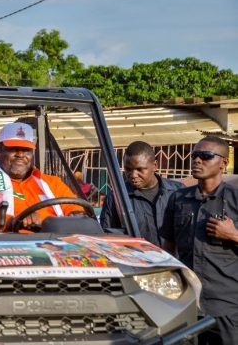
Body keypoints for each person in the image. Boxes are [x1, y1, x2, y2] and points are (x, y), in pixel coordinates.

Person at [160, 135, 238, 344]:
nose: (197, 160)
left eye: (206, 156)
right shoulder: (178, 198)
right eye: (194, 155)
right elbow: (168, 249)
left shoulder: (235, 198)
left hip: (227, 304)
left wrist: (232, 234)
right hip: (187, 302)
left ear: (224, 163)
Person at [0, 122, 84, 232]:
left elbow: (73, 206)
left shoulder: (52, 183)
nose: (20, 155)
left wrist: (77, 215)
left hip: (54, 247)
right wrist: (14, 221)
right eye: (13, 149)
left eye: (26, 150)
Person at [100, 141, 184, 246]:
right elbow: (107, 237)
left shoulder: (178, 192)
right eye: (128, 169)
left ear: (155, 165)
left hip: (174, 261)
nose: (133, 175)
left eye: (140, 169)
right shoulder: (116, 198)